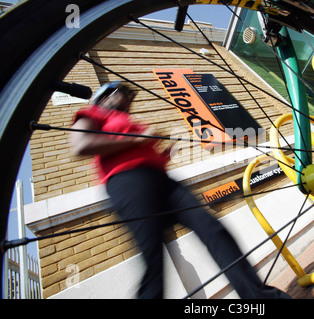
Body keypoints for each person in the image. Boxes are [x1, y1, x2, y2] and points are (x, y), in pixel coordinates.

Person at [70, 81, 291, 299]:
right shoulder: (93, 113)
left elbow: (144, 155)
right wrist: (138, 139)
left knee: (213, 229)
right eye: (122, 94)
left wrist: (164, 155)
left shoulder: (128, 120)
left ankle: (260, 297)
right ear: (105, 96)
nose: (128, 102)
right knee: (154, 261)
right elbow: (81, 145)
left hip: (163, 181)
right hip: (127, 183)